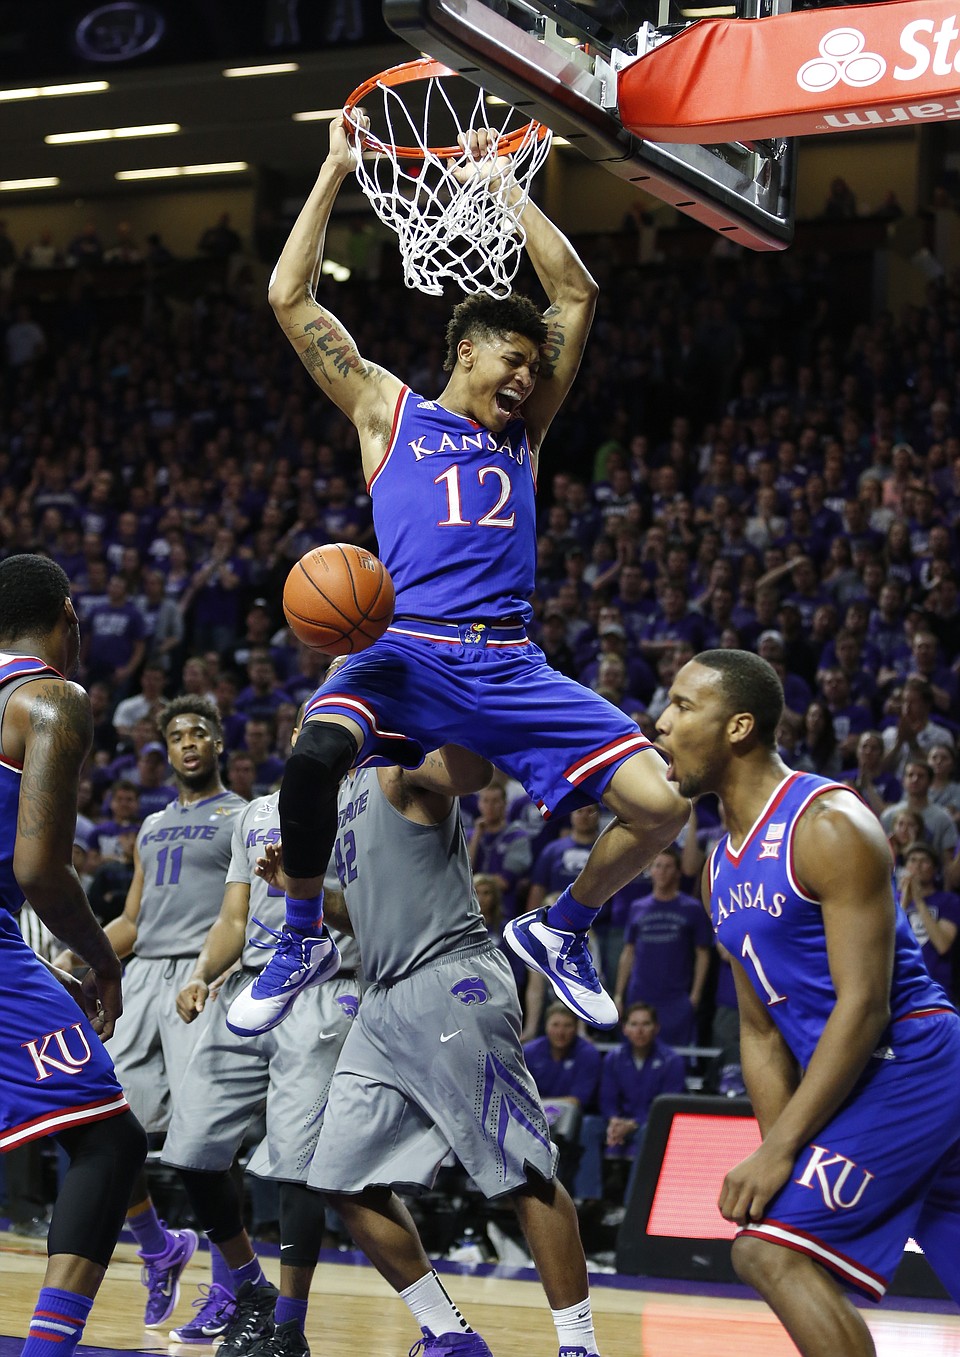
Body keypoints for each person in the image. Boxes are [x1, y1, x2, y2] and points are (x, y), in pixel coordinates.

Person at [245, 111, 688, 1037]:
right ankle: (296, 934)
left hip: (509, 662)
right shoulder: (386, 411)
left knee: (658, 806)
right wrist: (334, 171)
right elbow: (291, 298)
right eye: (512, 359)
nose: (527, 375)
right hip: (403, 649)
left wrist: (507, 186)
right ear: (465, 351)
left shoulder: (526, 435)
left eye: (535, 365)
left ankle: (562, 928)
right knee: (315, 754)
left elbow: (575, 292)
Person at [241, 732, 607, 1357]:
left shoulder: (401, 766)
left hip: (449, 981)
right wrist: (305, 893)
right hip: (381, 1002)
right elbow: (369, 915)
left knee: (522, 1171)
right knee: (338, 1176)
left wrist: (426, 707)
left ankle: (579, 1348)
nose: (308, 730)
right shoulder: (343, 799)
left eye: (325, 711)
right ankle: (449, 1335)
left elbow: (473, 770)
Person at [655, 647, 960, 1356]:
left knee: (769, 1252)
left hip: (909, 1059)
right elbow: (760, 1033)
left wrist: (787, 1146)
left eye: (681, 705)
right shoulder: (716, 872)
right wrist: (776, 1149)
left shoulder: (826, 823)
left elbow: (865, 1005)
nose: (661, 724)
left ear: (738, 727)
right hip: (864, 1080)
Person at [160, 757, 362, 1351]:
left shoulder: (366, 810)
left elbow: (374, 916)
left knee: (294, 1163)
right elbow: (233, 916)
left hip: (327, 988)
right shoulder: (255, 814)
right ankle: (252, 1289)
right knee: (190, 1148)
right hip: (250, 983)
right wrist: (202, 972)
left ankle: (288, 1328)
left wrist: (300, 890)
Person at [57, 696, 246, 1329]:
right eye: (176, 735)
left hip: (202, 979)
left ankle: (232, 1291)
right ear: (165, 750)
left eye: (198, 732)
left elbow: (240, 917)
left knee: (205, 1143)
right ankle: (159, 1248)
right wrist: (78, 953)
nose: (187, 742)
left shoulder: (244, 817)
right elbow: (133, 921)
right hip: (140, 983)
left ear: (219, 743)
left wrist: (212, 974)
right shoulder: (154, 824)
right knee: (104, 1122)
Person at [0, 554, 147, 1357]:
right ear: (68, 614)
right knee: (111, 1140)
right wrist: (103, 959)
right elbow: (39, 870)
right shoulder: (50, 697)